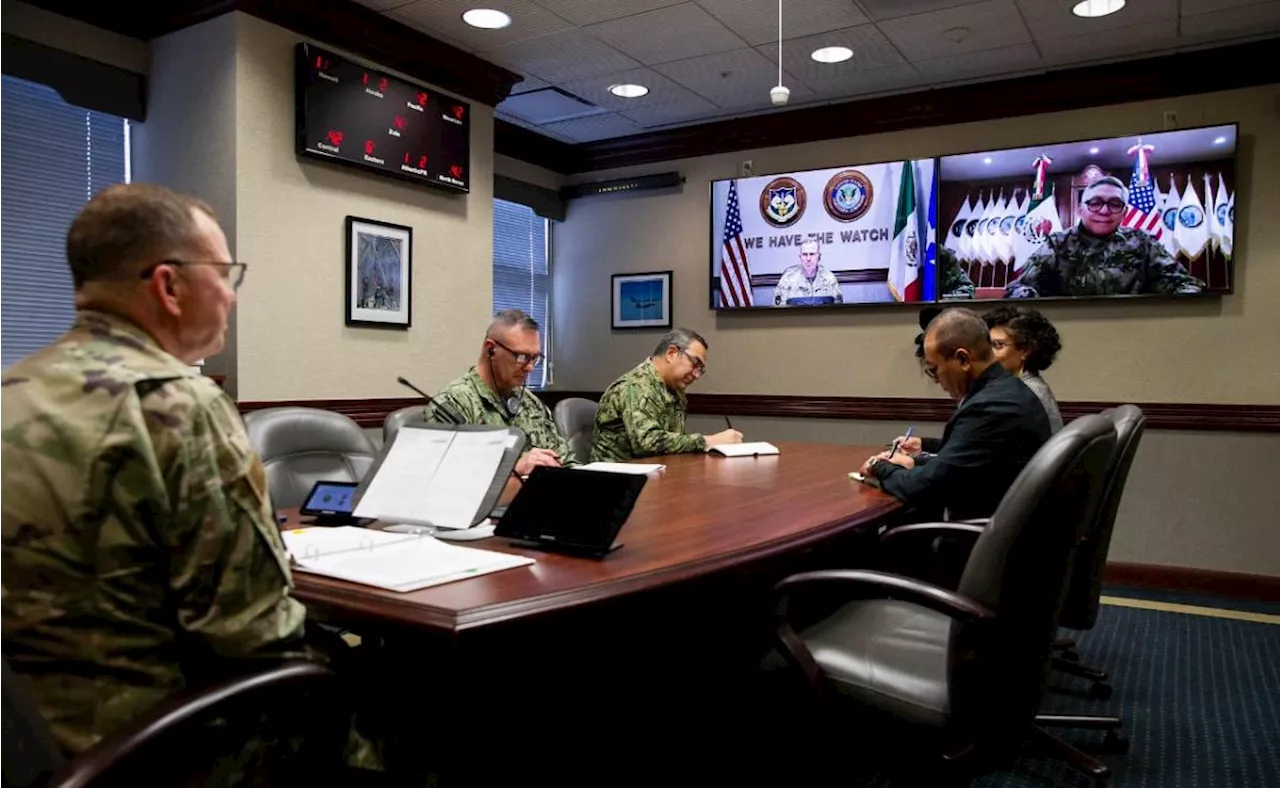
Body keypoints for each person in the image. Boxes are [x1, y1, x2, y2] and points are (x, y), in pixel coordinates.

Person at [0, 184, 319, 756]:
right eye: (225, 274)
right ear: (169, 286)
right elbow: (253, 633)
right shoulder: (177, 405)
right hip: (152, 748)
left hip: (31, 747)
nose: (232, 296)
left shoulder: (12, 389)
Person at [862, 308, 1051, 521]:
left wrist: (880, 467)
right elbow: (961, 465)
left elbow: (925, 488)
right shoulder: (1009, 390)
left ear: (963, 359)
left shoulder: (991, 406)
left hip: (979, 542)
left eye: (934, 369)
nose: (935, 380)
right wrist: (914, 463)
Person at [426, 309, 578, 469]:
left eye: (535, 358)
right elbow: (452, 482)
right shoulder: (453, 405)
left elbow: (565, 461)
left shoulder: (530, 403)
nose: (530, 367)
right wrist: (515, 470)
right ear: (490, 350)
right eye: (521, 357)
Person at [1006, 176, 1204, 298]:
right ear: (1081, 209)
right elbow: (1019, 288)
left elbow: (1185, 284)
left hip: (1135, 331)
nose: (1104, 210)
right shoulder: (1057, 243)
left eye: (1114, 204)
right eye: (1095, 202)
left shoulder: (1143, 242)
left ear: (1124, 212)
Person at [591, 328, 742, 462]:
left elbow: (673, 444)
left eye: (700, 369)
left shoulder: (675, 390)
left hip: (657, 474)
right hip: (617, 482)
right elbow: (647, 443)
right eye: (695, 364)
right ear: (671, 353)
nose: (696, 375)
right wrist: (707, 441)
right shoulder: (635, 386)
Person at [983, 305, 1064, 432]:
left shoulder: (1020, 396)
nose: (987, 354)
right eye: (986, 345)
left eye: (997, 345)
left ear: (1025, 350)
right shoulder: (1030, 386)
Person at [772, 238, 843, 306]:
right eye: (805, 254)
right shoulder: (787, 280)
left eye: (812, 254)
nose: (808, 259)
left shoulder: (829, 279)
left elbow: (838, 310)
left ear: (819, 257)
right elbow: (778, 312)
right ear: (800, 257)